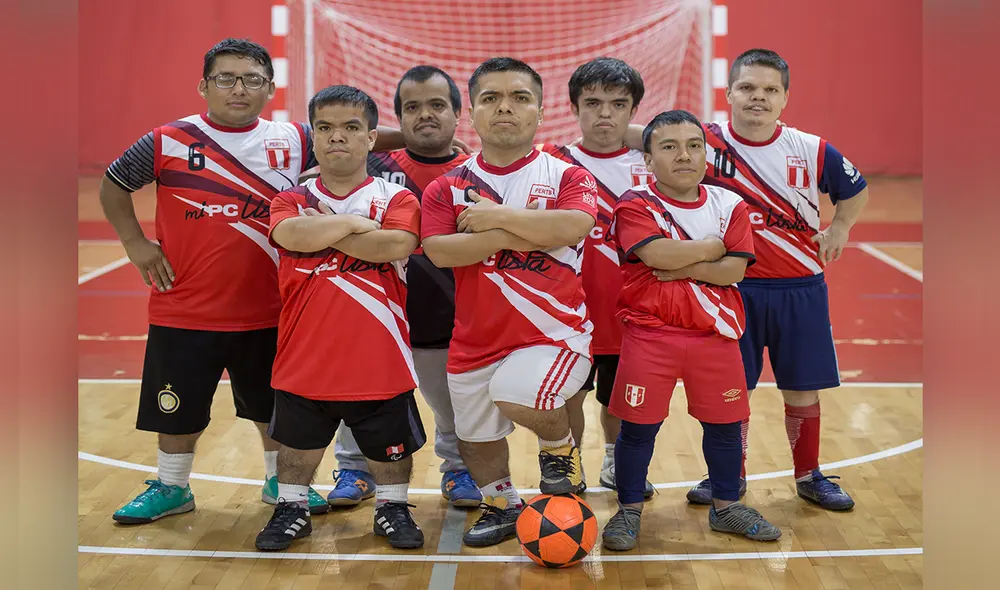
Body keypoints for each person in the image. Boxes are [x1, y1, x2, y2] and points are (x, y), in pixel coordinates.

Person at [103, 38, 329, 524]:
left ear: (270, 86)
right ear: (204, 86)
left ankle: (280, 481)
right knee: (176, 408)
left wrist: (419, 143)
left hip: (272, 308)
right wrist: (135, 244)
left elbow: (351, 132)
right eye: (225, 78)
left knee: (273, 407)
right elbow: (113, 184)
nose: (238, 88)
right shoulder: (166, 139)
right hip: (183, 307)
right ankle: (172, 486)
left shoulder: (295, 138)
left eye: (252, 79)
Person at [420, 57, 598, 547]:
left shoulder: (567, 175)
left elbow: (571, 227)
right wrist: (525, 230)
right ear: (471, 114)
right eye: (491, 98)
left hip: (555, 334)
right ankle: (501, 507)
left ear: (540, 112)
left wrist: (493, 220)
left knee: (520, 393)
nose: (505, 107)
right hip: (475, 338)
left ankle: (559, 449)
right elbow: (440, 250)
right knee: (474, 438)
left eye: (520, 98)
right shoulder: (444, 187)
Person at [683, 49, 868, 511]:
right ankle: (729, 475)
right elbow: (646, 137)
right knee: (731, 388)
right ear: (729, 93)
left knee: (802, 387)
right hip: (731, 287)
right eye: (747, 88)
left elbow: (856, 189)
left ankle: (809, 475)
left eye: (769, 90)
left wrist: (840, 226)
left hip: (800, 288)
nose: (757, 98)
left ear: (785, 97)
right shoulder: (702, 141)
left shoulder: (811, 148)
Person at [254, 85, 426, 551]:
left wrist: (322, 232)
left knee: (392, 447)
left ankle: (392, 508)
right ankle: (291, 509)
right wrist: (354, 224)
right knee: (295, 447)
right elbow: (289, 233)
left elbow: (392, 246)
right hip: (304, 353)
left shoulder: (398, 199)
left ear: (371, 137)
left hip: (379, 354)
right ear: (314, 138)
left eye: (351, 128)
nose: (337, 138)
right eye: (326, 128)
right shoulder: (289, 199)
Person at [601, 110, 782, 551]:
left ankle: (726, 506)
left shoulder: (730, 205)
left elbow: (733, 271)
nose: (684, 155)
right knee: (638, 429)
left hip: (716, 334)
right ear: (647, 159)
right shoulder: (634, 204)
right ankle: (628, 511)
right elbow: (658, 255)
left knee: (725, 424)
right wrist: (709, 251)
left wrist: (692, 263)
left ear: (706, 152)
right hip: (651, 335)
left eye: (694, 145)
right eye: (669, 146)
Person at [324, 66, 482, 509]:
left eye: (437, 106)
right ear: (395, 120)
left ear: (457, 114)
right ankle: (354, 470)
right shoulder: (369, 164)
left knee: (454, 407)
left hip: (447, 317)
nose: (425, 115)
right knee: (361, 400)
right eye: (412, 108)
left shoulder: (475, 174)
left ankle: (459, 470)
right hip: (375, 317)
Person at [536, 57, 654, 498]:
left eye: (618, 104)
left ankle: (613, 459)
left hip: (634, 310)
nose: (605, 114)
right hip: (567, 310)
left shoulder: (654, 162)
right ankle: (569, 464)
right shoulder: (551, 163)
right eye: (593, 103)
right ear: (573, 107)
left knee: (619, 398)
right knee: (569, 396)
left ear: (633, 110)